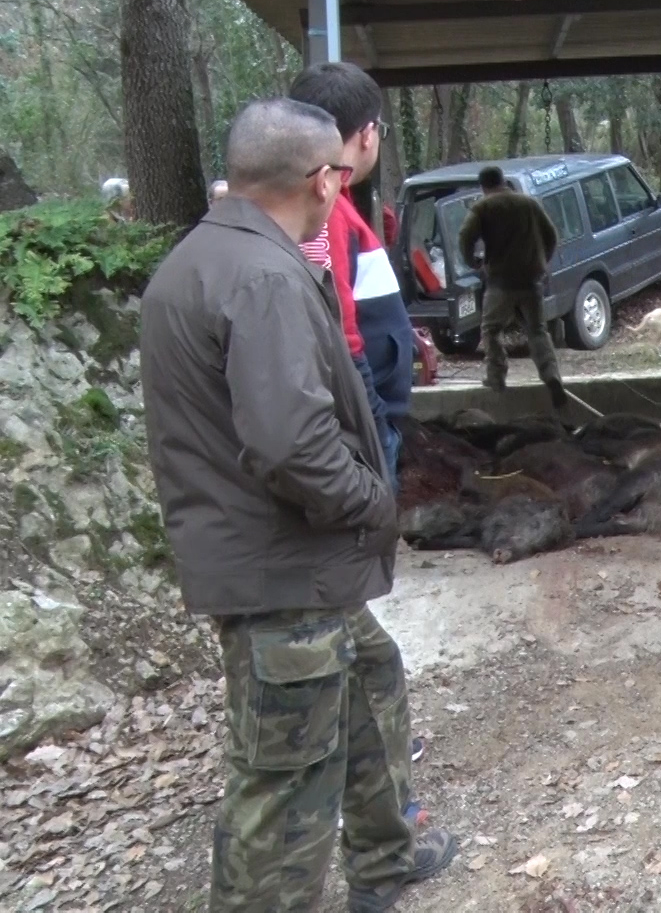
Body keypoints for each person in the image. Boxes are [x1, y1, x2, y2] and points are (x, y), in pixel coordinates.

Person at [138, 98, 458, 912]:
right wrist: (372, 503)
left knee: (372, 675)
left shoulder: (206, 256)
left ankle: (384, 859)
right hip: (280, 569)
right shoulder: (265, 278)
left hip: (291, 564)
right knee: (286, 781)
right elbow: (291, 445)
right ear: (323, 181)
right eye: (340, 177)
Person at [289, 61, 413, 493]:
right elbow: (338, 328)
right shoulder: (326, 211)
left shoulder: (332, 202)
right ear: (367, 133)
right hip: (361, 413)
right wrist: (371, 417)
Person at [459, 165, 566, 409]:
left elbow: (465, 236)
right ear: (503, 181)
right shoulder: (529, 203)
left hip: (501, 282)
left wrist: (473, 262)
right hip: (531, 280)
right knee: (537, 330)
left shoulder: (483, 207)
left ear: (483, 186)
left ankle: (496, 377)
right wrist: (541, 262)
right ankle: (551, 376)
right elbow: (551, 234)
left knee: (491, 329)